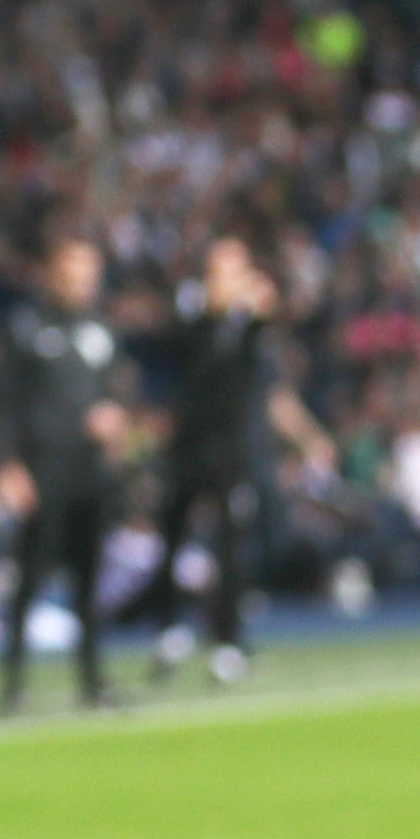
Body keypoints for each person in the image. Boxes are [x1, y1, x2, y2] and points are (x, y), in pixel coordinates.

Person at [147, 235, 320, 684]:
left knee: (231, 546)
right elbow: (178, 362)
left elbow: (268, 388)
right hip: (190, 446)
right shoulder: (195, 319)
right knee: (173, 535)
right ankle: (170, 629)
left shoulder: (254, 329)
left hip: (234, 452)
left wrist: (308, 436)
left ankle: (229, 640)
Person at [0, 233, 129, 714]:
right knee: (30, 576)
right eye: (74, 269)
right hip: (42, 469)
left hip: (89, 473)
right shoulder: (28, 326)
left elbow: (113, 393)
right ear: (54, 271)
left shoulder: (101, 330)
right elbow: (5, 402)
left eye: (89, 270)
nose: (82, 279)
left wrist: (115, 421)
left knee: (90, 581)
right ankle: (13, 681)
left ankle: (92, 680)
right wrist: (8, 465)